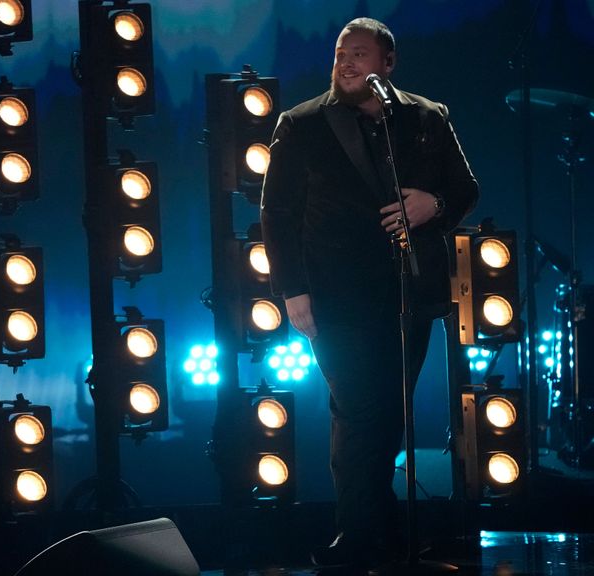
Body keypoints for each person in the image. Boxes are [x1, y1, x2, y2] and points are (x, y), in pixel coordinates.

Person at [260, 17, 479, 568]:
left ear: (387, 64)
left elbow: (464, 187)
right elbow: (276, 213)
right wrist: (292, 291)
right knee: (358, 408)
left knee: (392, 411)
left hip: (409, 289)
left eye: (360, 54)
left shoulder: (425, 118)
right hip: (334, 294)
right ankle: (356, 537)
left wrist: (435, 205)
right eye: (341, 54)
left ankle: (383, 535)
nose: (347, 62)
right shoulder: (302, 123)